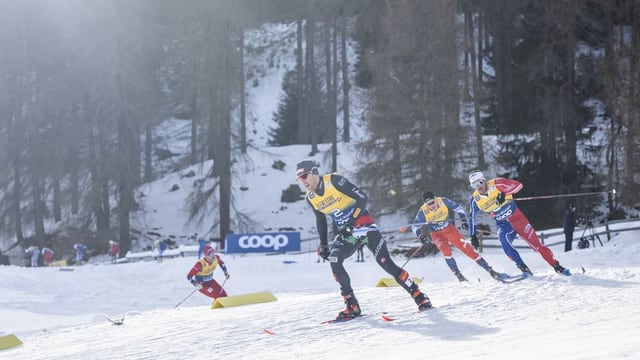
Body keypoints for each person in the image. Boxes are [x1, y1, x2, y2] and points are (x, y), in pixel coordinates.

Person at [296, 159, 432, 320]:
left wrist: (351, 222)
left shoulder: (333, 181)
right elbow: (321, 221)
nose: (302, 180)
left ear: (313, 173)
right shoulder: (310, 197)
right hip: (349, 234)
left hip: (364, 226)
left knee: (385, 263)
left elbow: (362, 198)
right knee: (334, 258)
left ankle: (418, 295)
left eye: (303, 176)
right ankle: (351, 304)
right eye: (298, 178)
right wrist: (324, 245)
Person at [467, 170, 570, 276]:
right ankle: (524, 268)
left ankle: (556, 266)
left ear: (484, 181)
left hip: (517, 219)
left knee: (536, 245)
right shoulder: (475, 199)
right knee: (504, 242)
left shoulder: (498, 183)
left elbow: (519, 185)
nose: (478, 187)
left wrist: (504, 193)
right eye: (474, 185)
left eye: (479, 182)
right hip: (503, 224)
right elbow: (472, 217)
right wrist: (473, 235)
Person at [412, 191, 506, 282]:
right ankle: (459, 276)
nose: (432, 205)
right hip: (437, 235)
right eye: (429, 204)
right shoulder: (423, 212)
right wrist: (421, 236)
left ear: (436, 199)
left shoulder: (443, 201)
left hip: (450, 229)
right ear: (425, 204)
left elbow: (458, 208)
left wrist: (463, 220)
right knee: (445, 250)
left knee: (468, 249)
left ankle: (490, 271)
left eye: (433, 202)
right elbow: (414, 227)